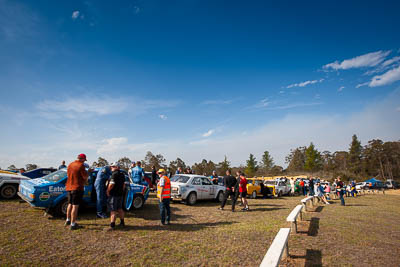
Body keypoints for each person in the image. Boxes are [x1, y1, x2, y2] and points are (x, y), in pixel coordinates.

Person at [65, 154, 90, 230]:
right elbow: (85, 177)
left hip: (69, 187)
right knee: (75, 206)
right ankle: (73, 224)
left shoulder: (70, 164)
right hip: (77, 188)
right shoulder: (81, 166)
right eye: (84, 160)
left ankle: (68, 220)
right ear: (82, 159)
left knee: (70, 204)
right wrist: (88, 171)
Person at [106, 162, 126, 230]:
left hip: (114, 194)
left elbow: (111, 184)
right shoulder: (122, 174)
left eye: (113, 166)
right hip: (120, 194)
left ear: (117, 167)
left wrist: (108, 191)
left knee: (113, 210)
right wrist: (121, 191)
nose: (111, 168)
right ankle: (122, 223)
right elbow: (123, 185)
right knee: (120, 209)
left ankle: (112, 225)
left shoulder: (114, 174)